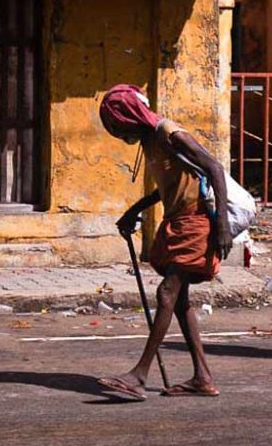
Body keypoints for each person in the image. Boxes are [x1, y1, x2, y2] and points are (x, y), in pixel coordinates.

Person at [95, 84, 233, 400]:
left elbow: (214, 168)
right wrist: (134, 211)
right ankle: (203, 377)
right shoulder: (151, 143)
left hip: (196, 221)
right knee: (180, 301)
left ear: (130, 116)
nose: (117, 133)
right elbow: (170, 185)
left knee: (167, 292)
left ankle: (138, 376)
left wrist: (222, 225)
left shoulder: (169, 133)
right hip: (178, 220)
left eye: (117, 125)